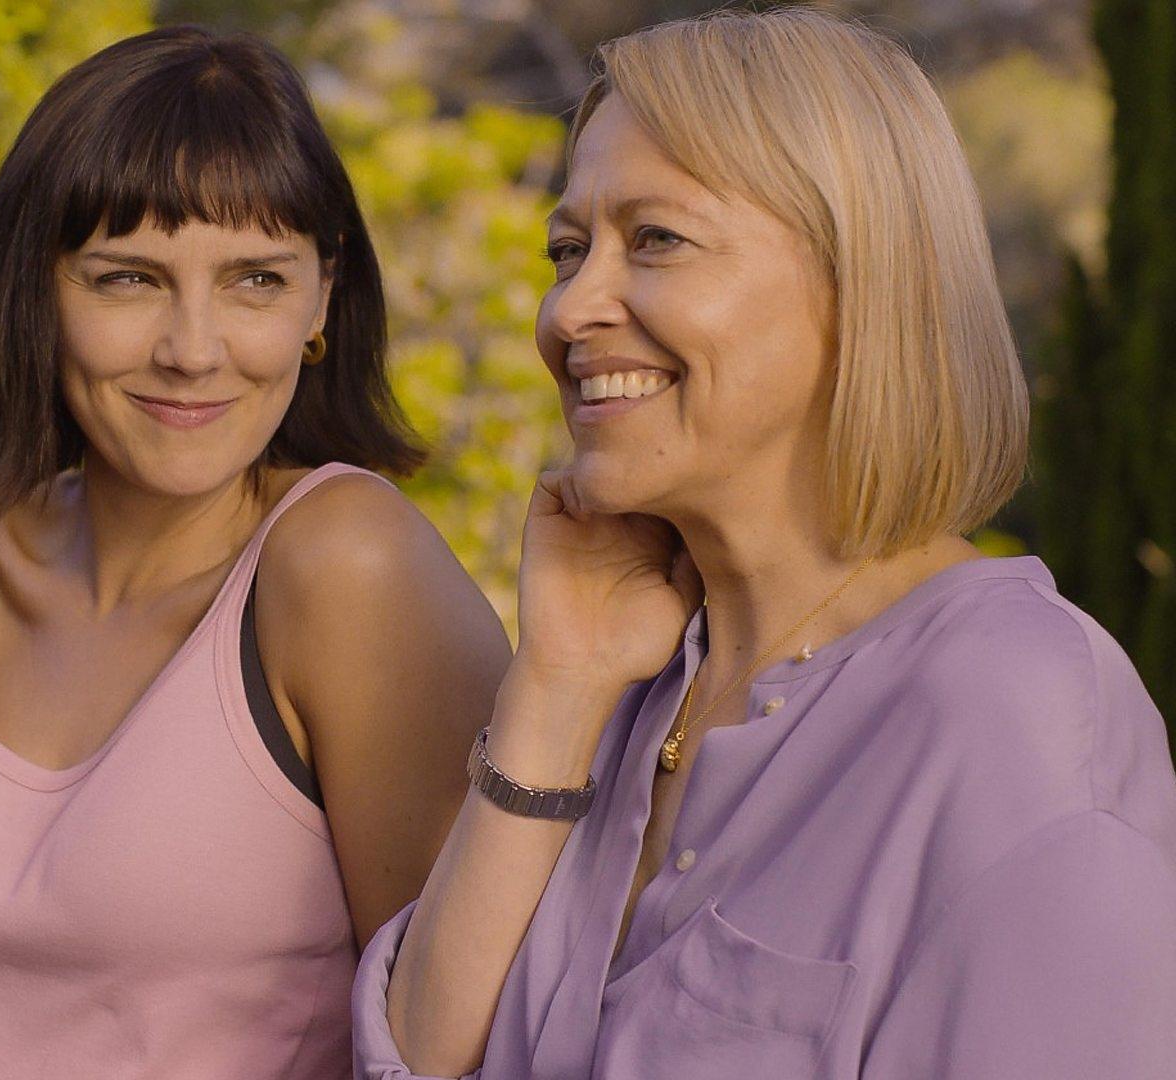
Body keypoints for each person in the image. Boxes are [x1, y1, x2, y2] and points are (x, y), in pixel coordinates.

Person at [354, 9, 1176, 1079]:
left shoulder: (1016, 716)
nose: (568, 310)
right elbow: (418, 1058)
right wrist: (556, 689)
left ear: (860, 280)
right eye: (568, 251)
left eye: (656, 238)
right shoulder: (632, 688)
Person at [0, 25, 509, 1079]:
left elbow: (454, 1040)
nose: (192, 350)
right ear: (34, 287)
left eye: (255, 281)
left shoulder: (347, 567)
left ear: (323, 296)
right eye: (128, 280)